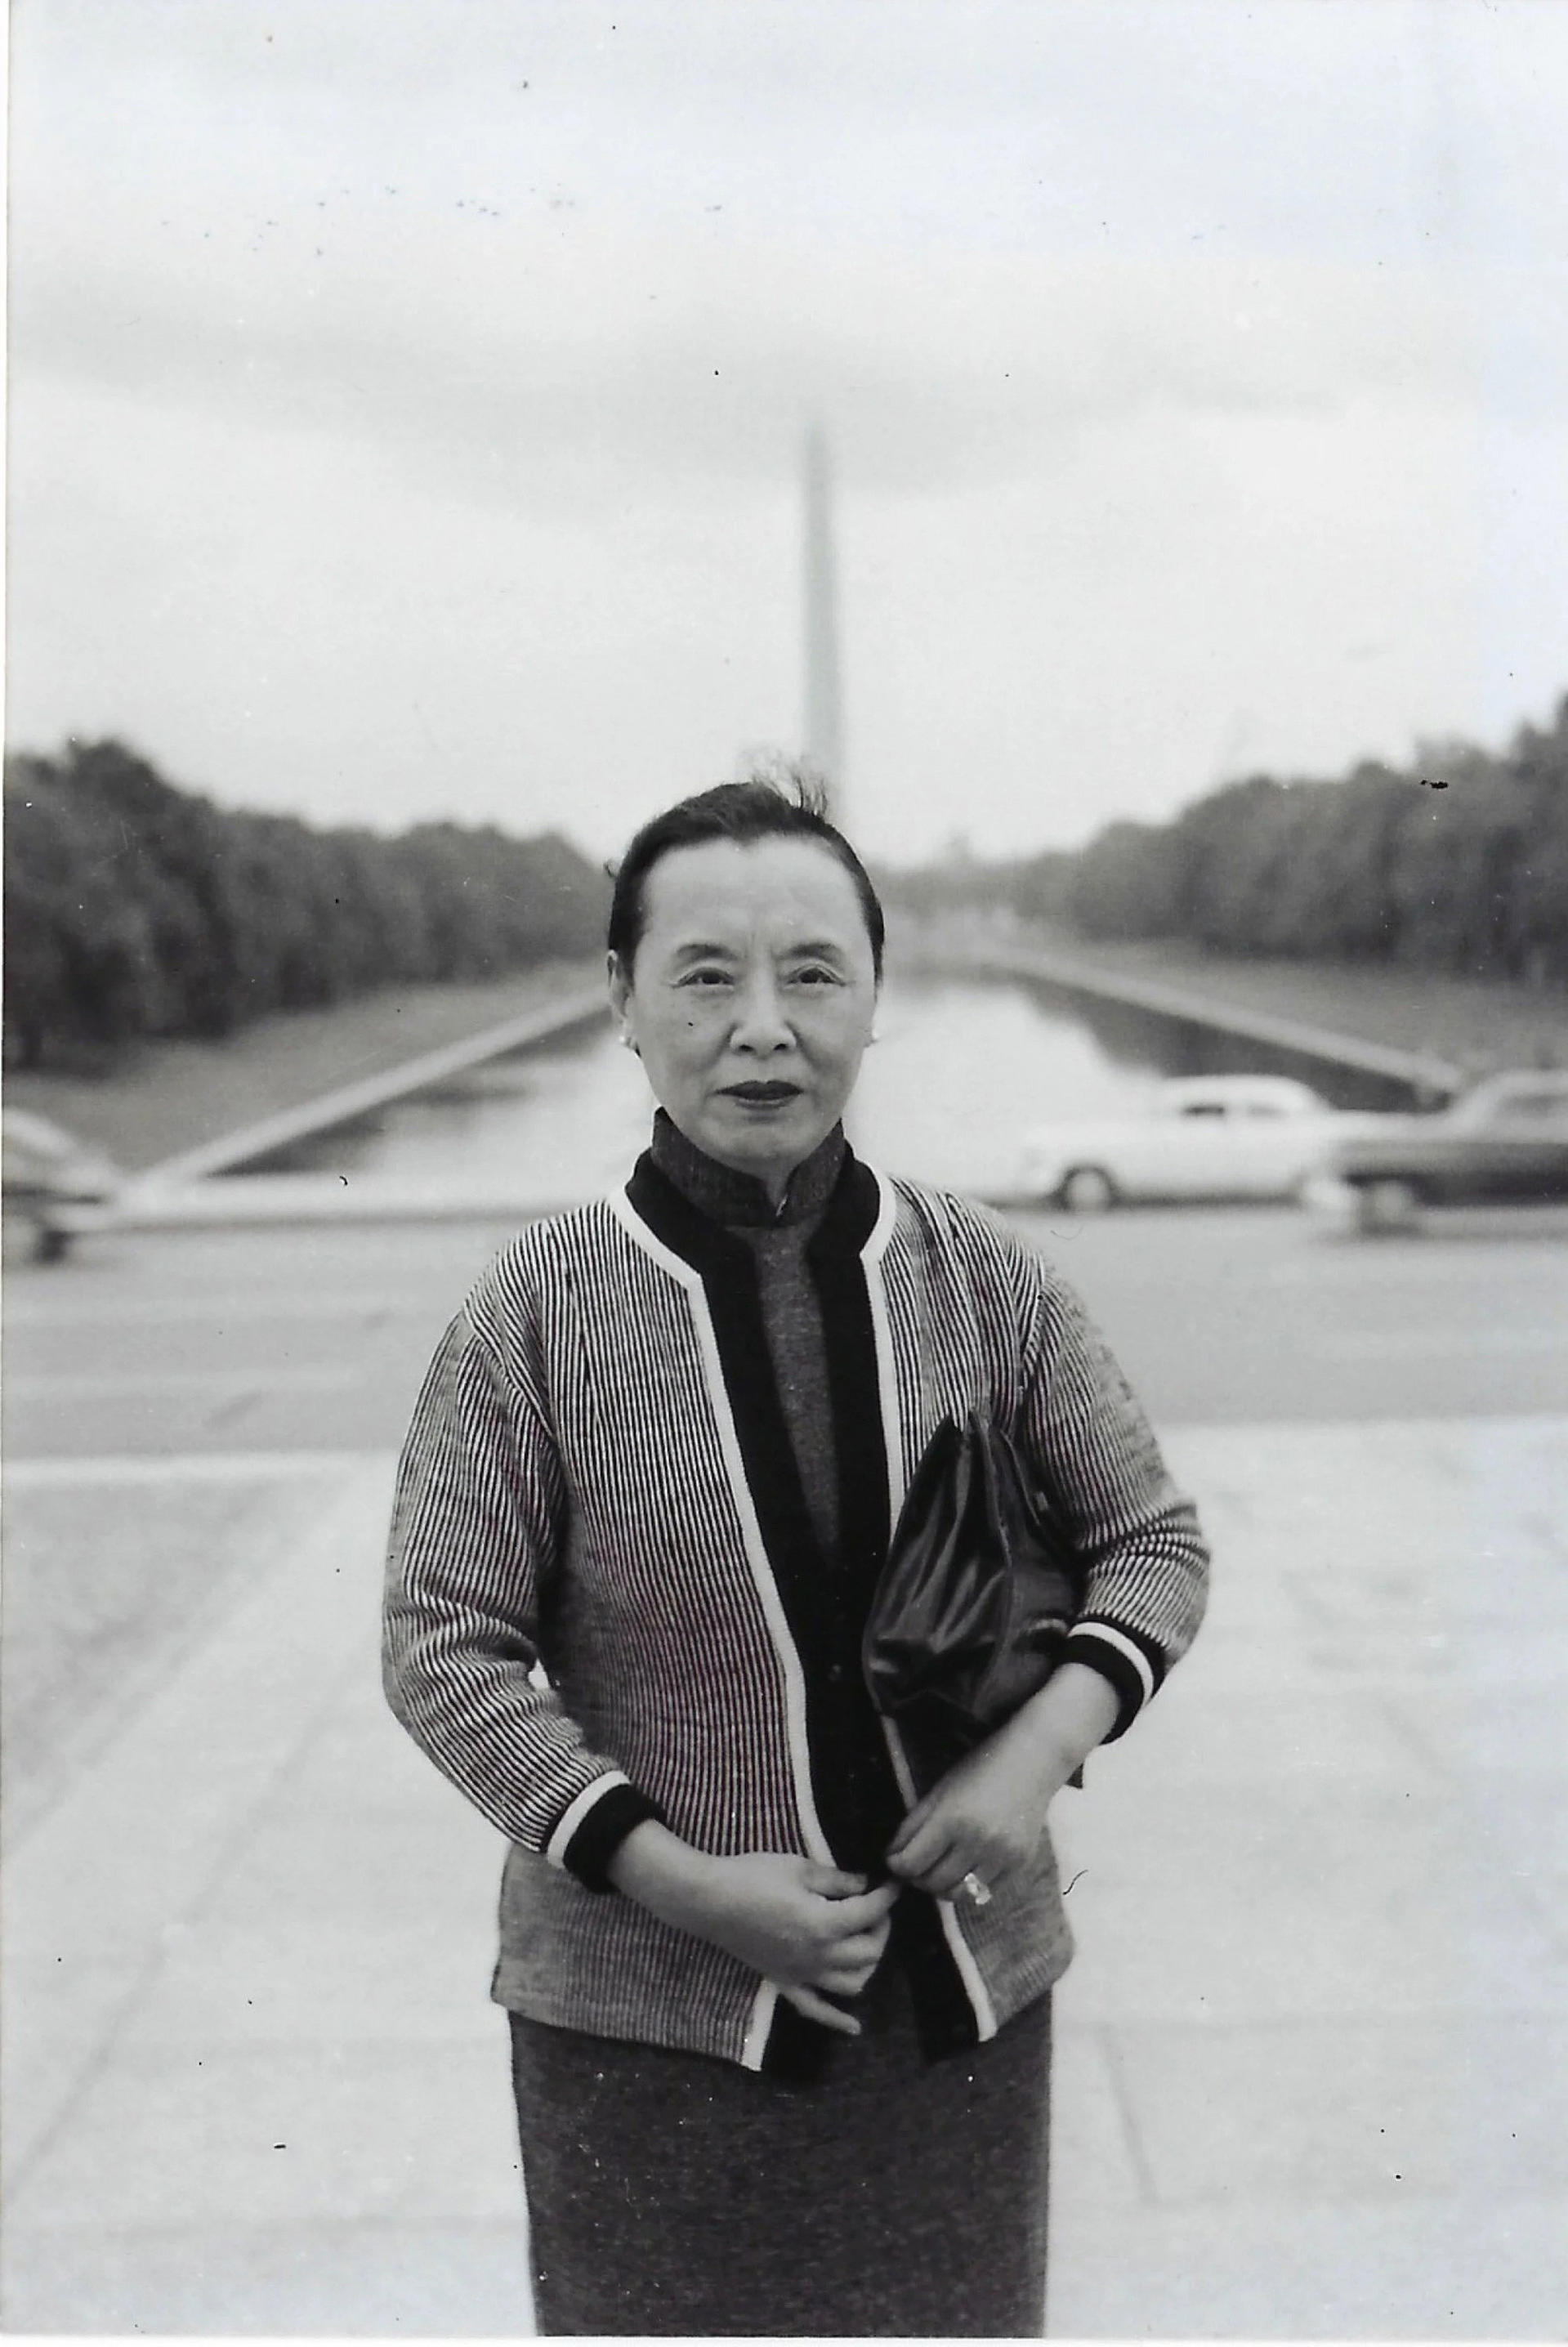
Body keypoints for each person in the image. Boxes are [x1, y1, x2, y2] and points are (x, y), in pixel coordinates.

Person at [383, 775, 1208, 2337]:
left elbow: (1151, 1542)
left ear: (876, 998)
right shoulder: (530, 1311)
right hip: (643, 2035)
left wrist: (1034, 1754)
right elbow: (442, 1645)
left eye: (814, 973)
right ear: (621, 998)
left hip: (957, 2012)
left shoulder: (990, 1276)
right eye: (705, 976)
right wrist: (682, 1881)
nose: (763, 1028)